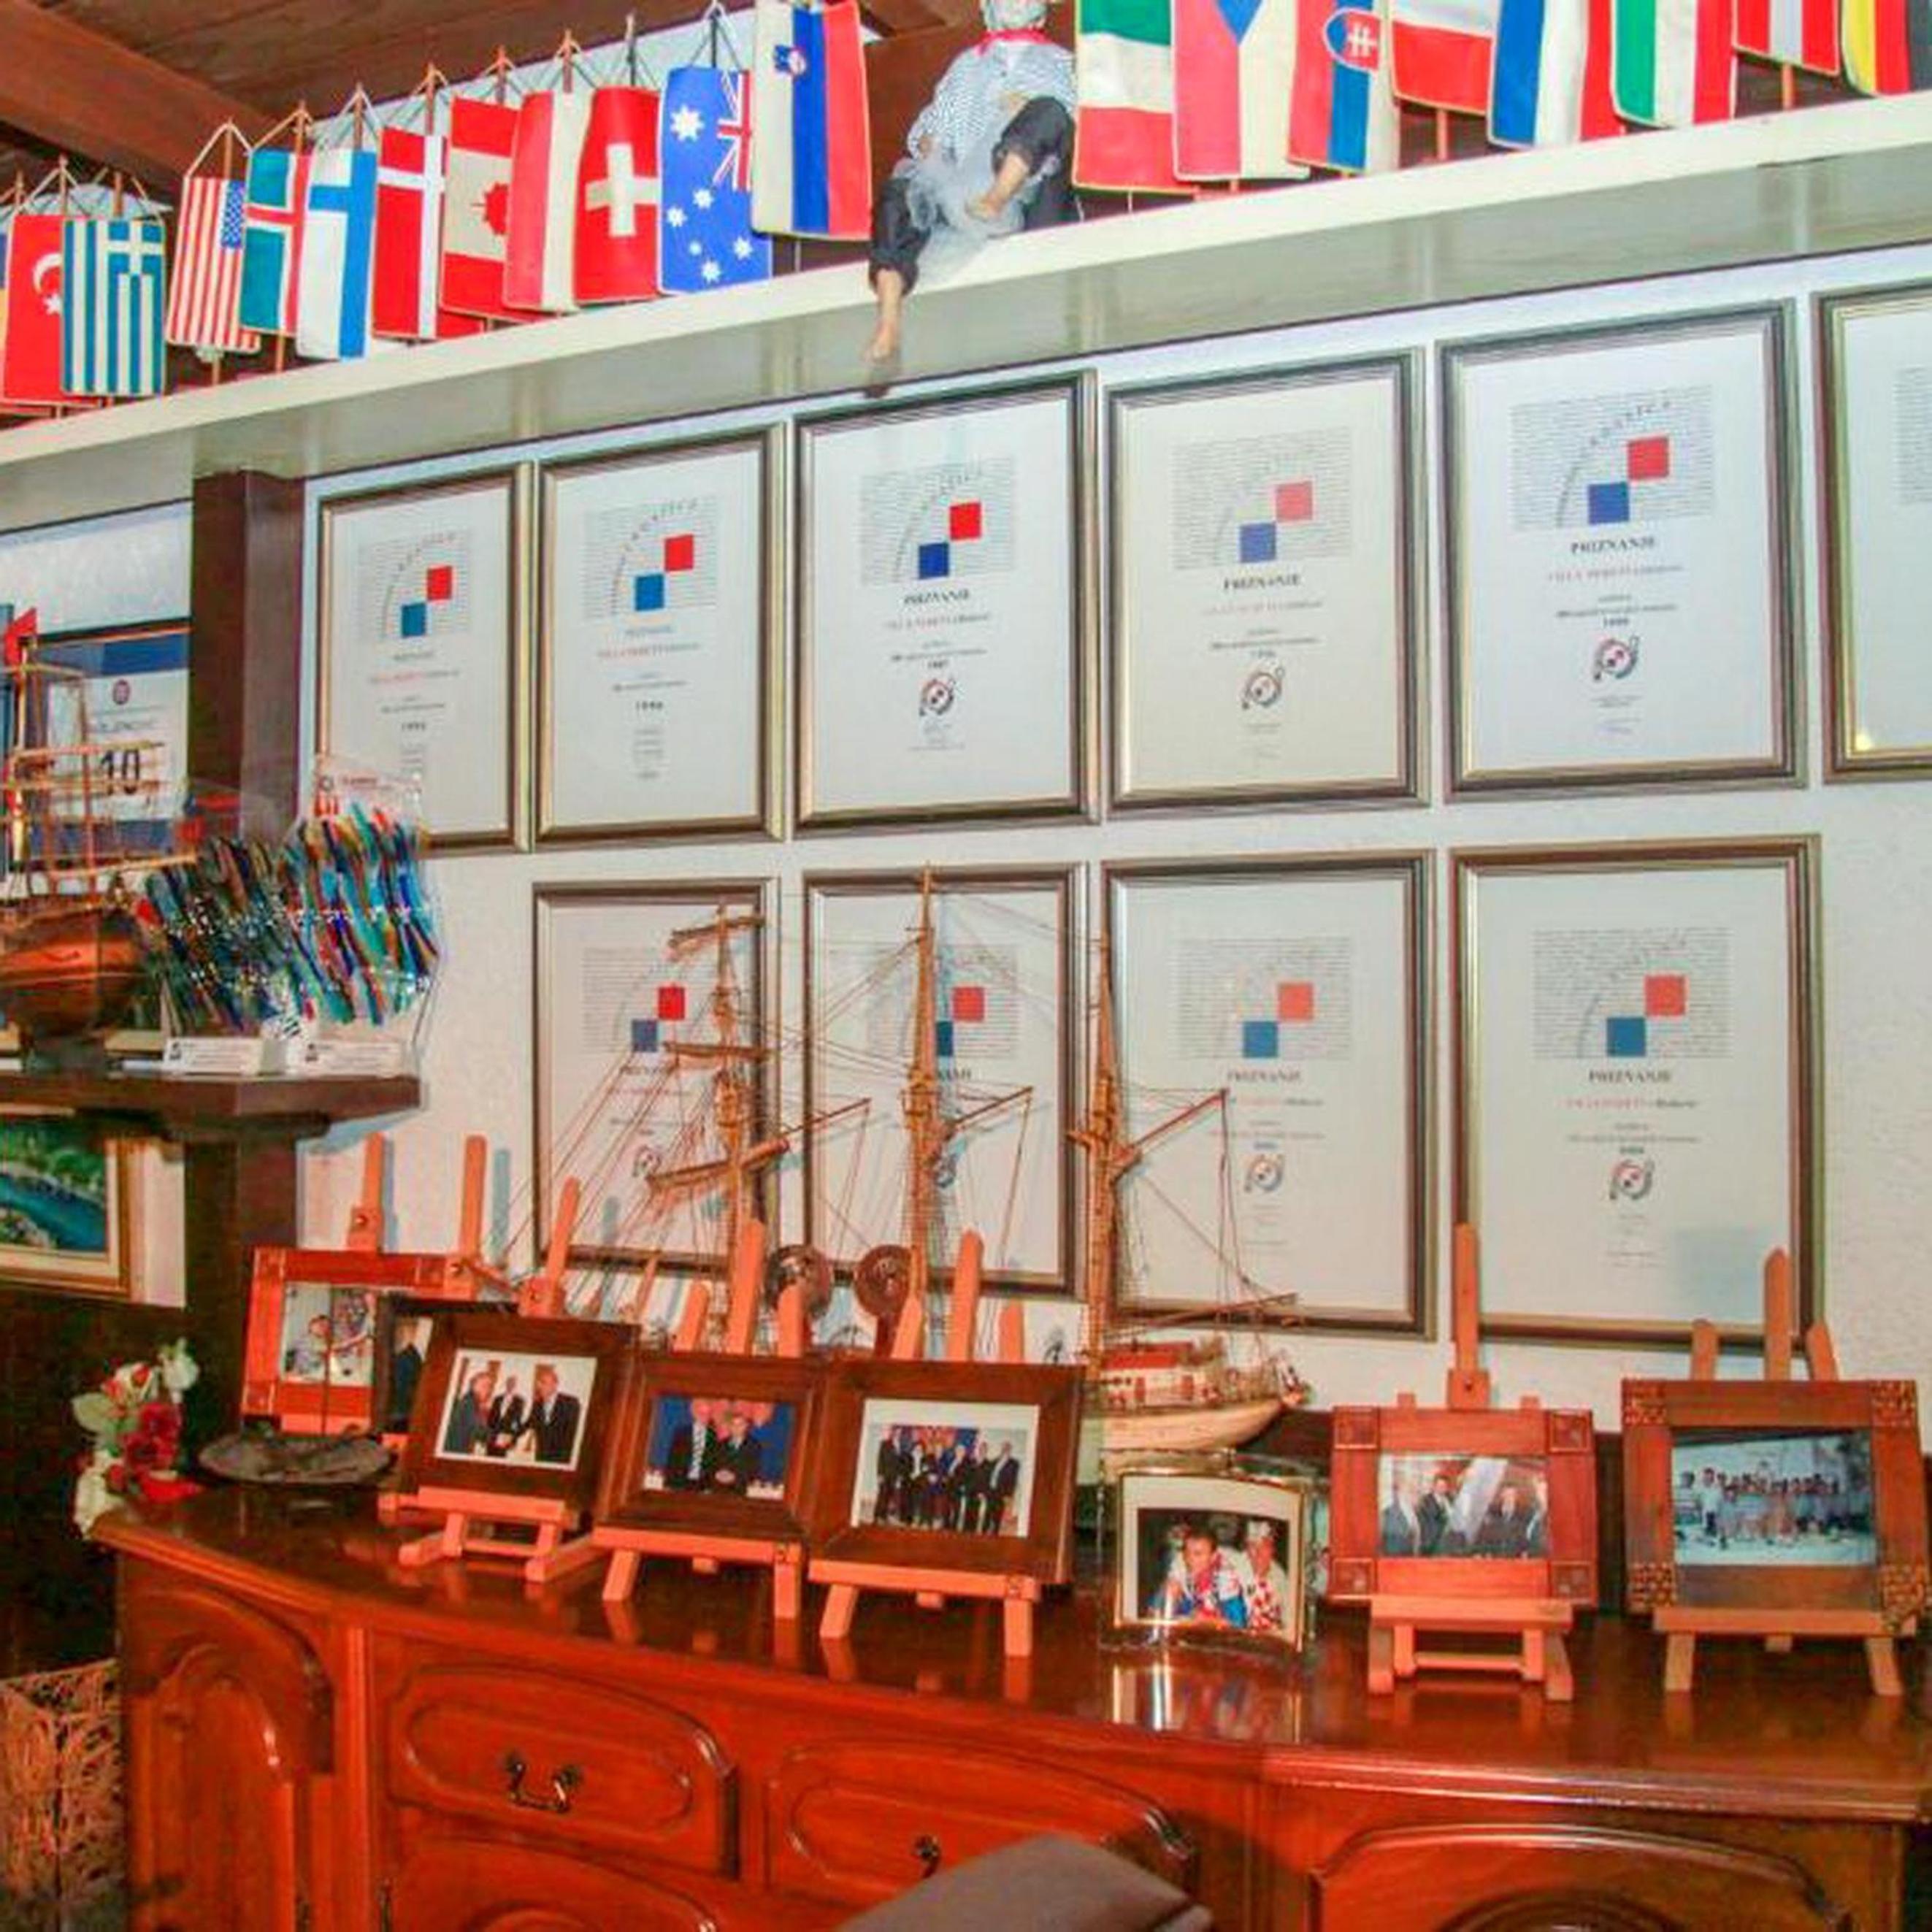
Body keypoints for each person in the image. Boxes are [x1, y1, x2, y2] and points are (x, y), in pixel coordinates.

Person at [866, 0, 1078, 367]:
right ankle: (889, 318)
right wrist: (933, 146)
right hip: (961, 185)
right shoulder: (965, 66)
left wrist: (1026, 109)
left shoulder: (1061, 61)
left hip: (1032, 187)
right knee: (899, 194)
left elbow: (1073, 116)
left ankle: (998, 196)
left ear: (1043, 11)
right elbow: (931, 127)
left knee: (1049, 111)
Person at [1150, 1525, 1249, 1627]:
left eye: (1198, 1554)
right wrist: (1169, 1603)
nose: (1190, 1560)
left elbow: (1238, 1624)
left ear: (1213, 1557)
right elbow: (1154, 1612)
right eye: (1187, 1553)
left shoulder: (1226, 1579)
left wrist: (1205, 1621)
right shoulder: (1179, 1569)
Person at [1235, 1519, 1290, 1634]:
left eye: (1264, 1546)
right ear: (1247, 1549)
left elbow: (1288, 1618)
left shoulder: (1280, 1575)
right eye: (1253, 1546)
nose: (1258, 1553)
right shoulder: (1235, 1567)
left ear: (1272, 1549)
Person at [524, 1363, 582, 1467]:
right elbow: (528, 1423)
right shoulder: (537, 1404)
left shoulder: (571, 1403)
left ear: (555, 1384)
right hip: (541, 1457)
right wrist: (511, 1436)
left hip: (562, 1459)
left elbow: (572, 1432)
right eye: (539, 1383)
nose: (540, 1386)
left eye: (544, 1382)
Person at [664, 1398, 721, 1491]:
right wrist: (668, 1483)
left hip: (702, 1485)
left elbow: (713, 1464)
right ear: (695, 1414)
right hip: (680, 1483)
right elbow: (673, 1459)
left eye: (707, 1414)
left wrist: (710, 1487)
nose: (704, 1417)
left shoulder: (713, 1436)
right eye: (702, 1413)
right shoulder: (682, 1433)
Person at [442, 1365, 497, 1458]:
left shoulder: (468, 1400)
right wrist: (496, 1437)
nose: (489, 1391)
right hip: (455, 1452)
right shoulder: (469, 1403)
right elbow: (477, 1429)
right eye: (486, 1386)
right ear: (475, 1386)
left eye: (490, 1387)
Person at [708, 1406, 764, 1492]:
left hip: (741, 1491)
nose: (736, 1428)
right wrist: (716, 1474)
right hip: (720, 1490)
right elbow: (712, 1467)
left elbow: (754, 1472)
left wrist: (735, 1477)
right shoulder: (720, 1444)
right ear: (729, 1426)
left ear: (746, 1426)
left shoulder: (754, 1446)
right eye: (733, 1424)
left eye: (740, 1424)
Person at [1474, 1483, 1530, 1558]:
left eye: (1511, 1495)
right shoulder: (1492, 1514)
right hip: (1494, 1560)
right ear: (1502, 1495)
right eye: (1506, 1494)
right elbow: (1483, 1539)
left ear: (1516, 1497)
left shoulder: (1523, 1516)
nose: (1509, 1498)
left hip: (1513, 1560)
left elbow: (1524, 1545)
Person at [1379, 1472, 1422, 1556]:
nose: (1415, 1494)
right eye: (1410, 1490)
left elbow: (1416, 1540)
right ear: (1399, 1492)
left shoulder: (1416, 1513)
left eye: (1416, 1491)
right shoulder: (1387, 1514)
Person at [484, 1376, 526, 1458]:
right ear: (506, 1384)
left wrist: (513, 1437)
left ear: (516, 1386)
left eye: (513, 1384)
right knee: (489, 1456)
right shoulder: (497, 1399)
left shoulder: (519, 1401)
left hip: (506, 1436)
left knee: (500, 1458)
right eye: (509, 1383)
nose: (511, 1386)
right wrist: (487, 1433)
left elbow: (517, 1420)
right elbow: (491, 1417)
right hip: (493, 1435)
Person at [985, 1440, 1021, 1535]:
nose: (1004, 1450)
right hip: (991, 1492)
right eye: (1003, 1448)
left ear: (1010, 1450)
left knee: (997, 1517)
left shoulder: (1014, 1463)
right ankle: (985, 1533)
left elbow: (1013, 1480)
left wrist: (1008, 1495)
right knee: (988, 1515)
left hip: (1001, 1494)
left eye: (1006, 1448)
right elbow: (988, 1475)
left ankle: (995, 1534)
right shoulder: (995, 1461)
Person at [1418, 1472, 1454, 1556]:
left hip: (1448, 1545)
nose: (1442, 1489)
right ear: (1434, 1486)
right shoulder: (1426, 1501)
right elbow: (1426, 1524)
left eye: (1444, 1486)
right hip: (1431, 1545)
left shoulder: (1450, 1500)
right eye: (1439, 1486)